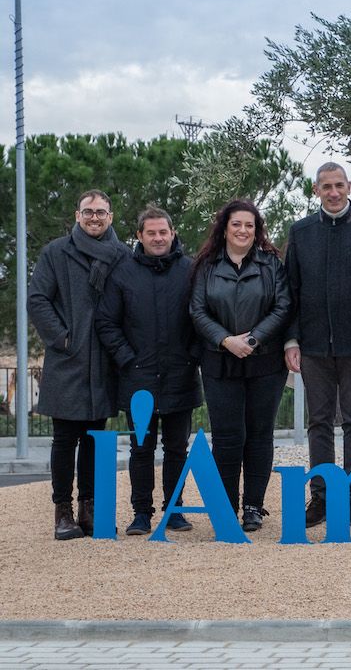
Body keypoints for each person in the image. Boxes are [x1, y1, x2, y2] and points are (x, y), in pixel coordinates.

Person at [284, 162, 351, 529]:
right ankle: (322, 498)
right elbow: (290, 291)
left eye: (339, 185)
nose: (333, 192)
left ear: (350, 187)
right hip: (312, 346)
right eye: (326, 186)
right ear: (315, 190)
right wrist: (291, 339)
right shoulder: (301, 232)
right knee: (319, 422)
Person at [29, 190, 130, 540]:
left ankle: (89, 509)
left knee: (93, 438)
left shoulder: (122, 256)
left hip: (103, 360)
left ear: (111, 217)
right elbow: (38, 300)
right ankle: (63, 512)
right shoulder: (56, 252)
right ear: (77, 216)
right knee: (64, 439)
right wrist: (64, 339)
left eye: (101, 212)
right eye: (88, 212)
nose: (94, 218)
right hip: (68, 360)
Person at [95, 206, 201, 536]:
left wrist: (192, 356)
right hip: (138, 380)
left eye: (163, 232)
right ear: (139, 235)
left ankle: (175, 511)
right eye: (151, 233)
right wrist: (128, 359)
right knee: (141, 449)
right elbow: (107, 322)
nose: (158, 238)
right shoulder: (123, 272)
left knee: (176, 450)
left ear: (173, 233)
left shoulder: (191, 270)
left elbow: (203, 317)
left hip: (180, 377)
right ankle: (141, 514)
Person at [190, 199, 292, 533]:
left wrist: (253, 339)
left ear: (257, 229)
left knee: (259, 435)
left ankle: (253, 507)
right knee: (227, 436)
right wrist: (225, 340)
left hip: (265, 362)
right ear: (225, 227)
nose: (243, 231)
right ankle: (226, 507)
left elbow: (283, 306)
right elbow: (197, 310)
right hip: (219, 361)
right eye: (237, 224)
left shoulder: (271, 264)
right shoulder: (206, 265)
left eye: (249, 225)